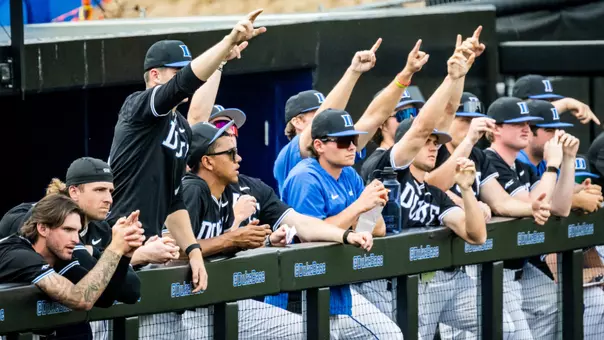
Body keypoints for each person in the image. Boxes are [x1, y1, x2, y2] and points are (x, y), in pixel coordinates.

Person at [107, 10, 267, 296]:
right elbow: (185, 83)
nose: (185, 78)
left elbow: (174, 198)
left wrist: (193, 251)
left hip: (154, 252)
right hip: (116, 245)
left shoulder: (179, 125)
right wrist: (227, 41)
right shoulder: (140, 107)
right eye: (176, 70)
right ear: (155, 75)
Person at [178, 121, 373, 339]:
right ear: (207, 162)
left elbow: (301, 223)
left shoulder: (236, 189)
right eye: (231, 154)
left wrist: (345, 235)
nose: (239, 158)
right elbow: (175, 250)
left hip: (226, 301)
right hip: (185, 308)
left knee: (310, 332)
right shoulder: (191, 189)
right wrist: (232, 239)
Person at [280, 108, 402, 338]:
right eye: (344, 141)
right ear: (319, 146)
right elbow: (309, 236)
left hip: (336, 288)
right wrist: (358, 207)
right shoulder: (305, 177)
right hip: (300, 294)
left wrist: (372, 207)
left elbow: (378, 229)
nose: (352, 147)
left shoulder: (349, 175)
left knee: (390, 334)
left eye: (354, 140)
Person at [274, 38, 430, 195]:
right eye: (318, 111)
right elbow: (323, 119)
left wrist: (405, 74)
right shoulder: (289, 156)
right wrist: (353, 72)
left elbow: (374, 117)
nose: (349, 145)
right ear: (297, 121)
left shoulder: (337, 148)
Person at [484, 97, 578, 340]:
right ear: (495, 128)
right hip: (487, 271)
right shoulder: (489, 159)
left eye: (528, 123)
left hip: (517, 269)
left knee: (552, 303)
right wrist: (552, 166)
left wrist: (567, 161)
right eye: (517, 124)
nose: (525, 128)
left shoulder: (521, 168)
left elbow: (560, 208)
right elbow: (533, 204)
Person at [0, 194, 145, 338]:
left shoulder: (61, 256)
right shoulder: (18, 254)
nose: (76, 240)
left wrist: (124, 254)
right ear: (43, 228)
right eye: (68, 230)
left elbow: (103, 297)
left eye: (77, 231)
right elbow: (81, 299)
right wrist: (114, 249)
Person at [426, 92, 551, 225]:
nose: (472, 127)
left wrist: (531, 209)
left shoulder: (478, 156)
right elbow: (427, 187)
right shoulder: (433, 150)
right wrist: (466, 204)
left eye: (476, 121)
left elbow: (501, 202)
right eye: (466, 120)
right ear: (447, 119)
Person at [515, 100, 604, 213]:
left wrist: (583, 190)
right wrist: (576, 201)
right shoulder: (516, 160)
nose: (558, 135)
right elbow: (530, 201)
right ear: (528, 132)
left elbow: (558, 192)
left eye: (558, 129)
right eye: (550, 130)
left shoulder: (543, 160)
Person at [359, 87, 425, 182]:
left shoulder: (418, 159)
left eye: (413, 113)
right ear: (381, 122)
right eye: (403, 115)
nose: (411, 119)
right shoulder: (375, 162)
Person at [512, 74, 601, 125]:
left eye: (552, 100)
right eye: (542, 101)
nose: (549, 105)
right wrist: (566, 103)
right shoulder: (504, 122)